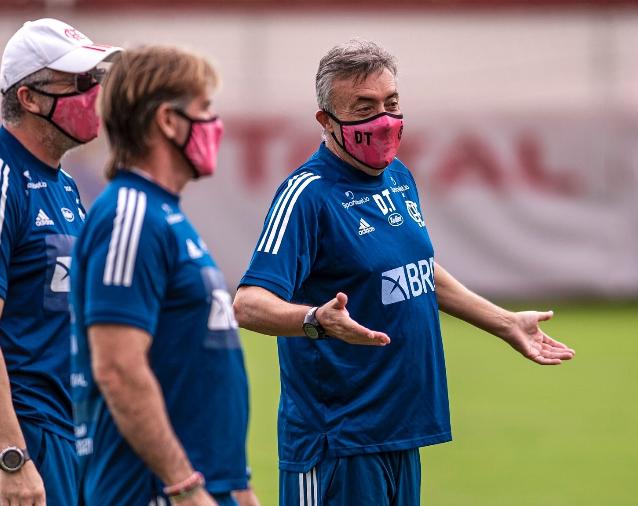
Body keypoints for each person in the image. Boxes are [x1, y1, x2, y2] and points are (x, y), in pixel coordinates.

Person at [232, 39, 576, 505]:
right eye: (364, 107)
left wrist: (504, 322)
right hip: (339, 443)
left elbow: (418, 271)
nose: (383, 121)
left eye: (391, 104)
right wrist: (314, 319)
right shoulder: (307, 195)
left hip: (401, 431)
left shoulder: (398, 177)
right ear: (325, 121)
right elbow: (249, 304)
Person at [0, 18, 121, 506]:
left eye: (95, 80)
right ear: (29, 97)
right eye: (78, 82)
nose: (94, 94)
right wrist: (10, 456)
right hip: (16, 430)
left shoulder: (64, 185)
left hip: (65, 426)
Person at [69, 46, 259, 506]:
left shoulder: (165, 215)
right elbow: (118, 368)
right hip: (154, 492)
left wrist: (238, 486)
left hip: (206, 488)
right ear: (168, 122)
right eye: (204, 110)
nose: (216, 126)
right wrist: (184, 487)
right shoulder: (130, 216)